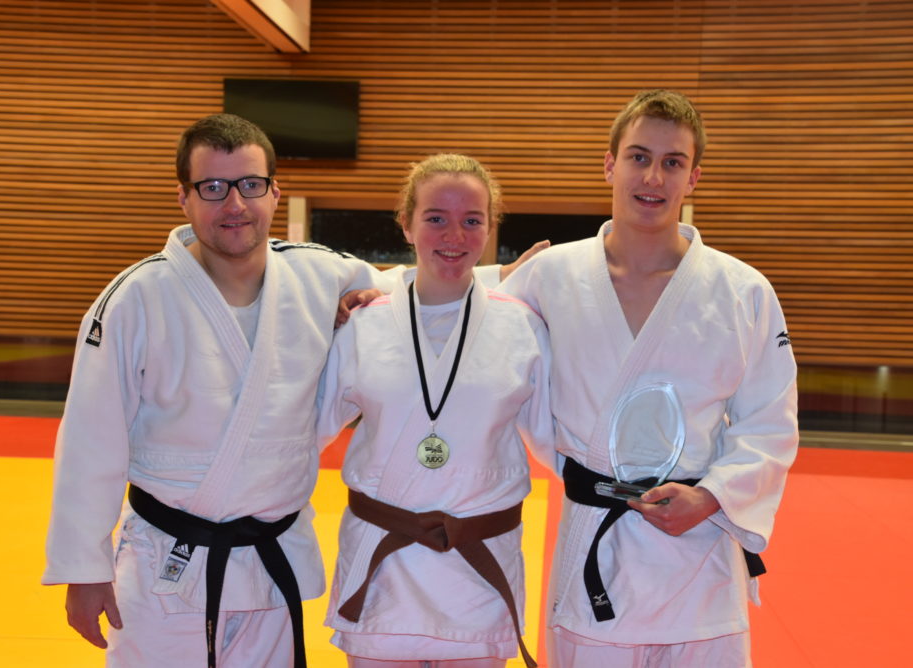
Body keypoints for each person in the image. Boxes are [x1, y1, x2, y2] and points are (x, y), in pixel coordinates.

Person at [42, 114, 544, 668]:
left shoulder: (318, 274)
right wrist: (83, 567)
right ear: (183, 197)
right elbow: (90, 438)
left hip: (269, 563)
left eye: (250, 184)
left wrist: (499, 279)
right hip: (168, 561)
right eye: (213, 187)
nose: (235, 203)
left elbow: (421, 287)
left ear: (275, 192)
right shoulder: (135, 298)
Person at [498, 89, 799, 667]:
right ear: (609, 164)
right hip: (595, 542)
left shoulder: (744, 290)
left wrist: (710, 497)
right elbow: (464, 329)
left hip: (699, 555)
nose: (653, 177)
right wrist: (370, 297)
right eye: (638, 157)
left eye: (672, 162)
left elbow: (770, 423)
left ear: (694, 178)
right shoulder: (549, 277)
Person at [316, 153, 557, 668]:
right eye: (435, 218)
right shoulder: (363, 324)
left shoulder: (522, 327)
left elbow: (560, 442)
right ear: (406, 224)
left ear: (490, 227)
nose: (454, 235)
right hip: (383, 565)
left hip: (477, 570)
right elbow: (303, 432)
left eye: (472, 220)